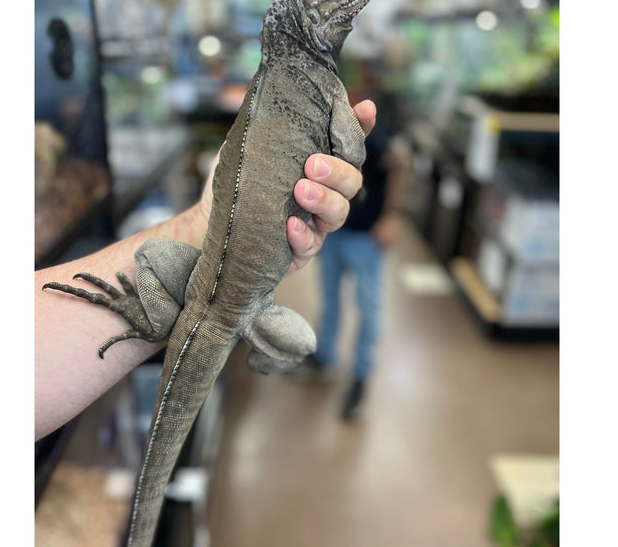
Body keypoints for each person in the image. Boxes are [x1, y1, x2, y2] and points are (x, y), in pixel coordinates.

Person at [35, 100, 376, 441]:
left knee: (305, 342)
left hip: (246, 294)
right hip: (226, 287)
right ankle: (160, 321)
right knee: (304, 340)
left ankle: (165, 322)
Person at [310, 120, 412, 421]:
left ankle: (360, 378)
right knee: (330, 300)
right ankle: (324, 359)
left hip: (366, 238)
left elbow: (401, 167)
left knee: (368, 310)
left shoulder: (370, 132)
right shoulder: (322, 127)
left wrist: (392, 217)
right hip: (334, 232)